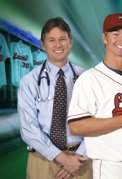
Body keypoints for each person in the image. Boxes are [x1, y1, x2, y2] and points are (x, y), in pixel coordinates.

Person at [67, 13, 122, 179]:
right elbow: (76, 126)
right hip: (113, 168)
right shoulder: (89, 79)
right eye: (115, 34)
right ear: (104, 37)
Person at [18, 17, 92, 179]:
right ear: (43, 44)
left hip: (81, 160)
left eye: (62, 39)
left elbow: (96, 122)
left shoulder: (87, 77)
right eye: (52, 40)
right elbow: (28, 129)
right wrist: (62, 158)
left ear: (70, 42)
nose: (58, 45)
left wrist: (77, 158)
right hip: (42, 160)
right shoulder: (29, 82)